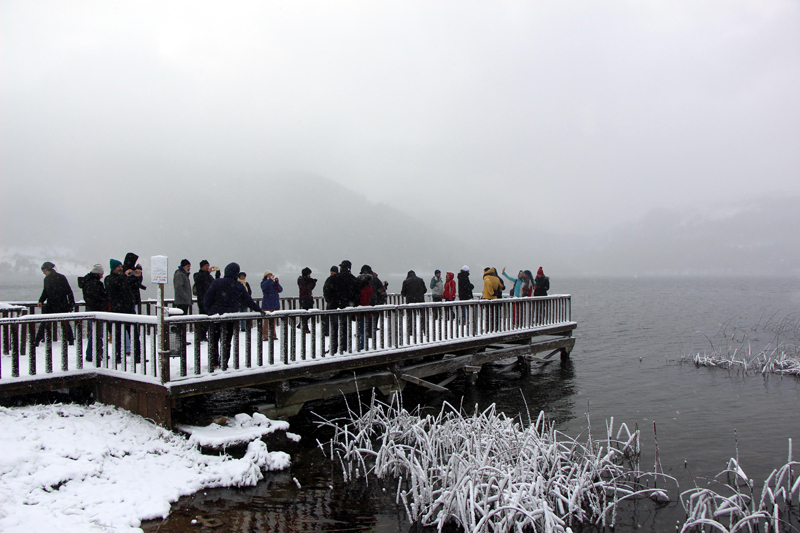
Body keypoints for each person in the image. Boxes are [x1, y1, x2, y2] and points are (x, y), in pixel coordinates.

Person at [204, 262, 264, 369]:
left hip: (215, 316)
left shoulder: (216, 282)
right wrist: (259, 310)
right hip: (230, 317)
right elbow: (248, 301)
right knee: (226, 341)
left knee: (213, 340)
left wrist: (210, 310)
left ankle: (213, 362)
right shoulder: (238, 286)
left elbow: (207, 298)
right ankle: (224, 363)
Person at [105, 255, 140, 358]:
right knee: (117, 336)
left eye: (121, 266)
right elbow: (116, 284)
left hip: (129, 310)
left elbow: (135, 283)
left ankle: (137, 356)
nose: (120, 268)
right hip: (117, 311)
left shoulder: (124, 278)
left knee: (134, 335)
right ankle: (117, 357)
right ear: (113, 268)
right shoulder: (109, 279)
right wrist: (125, 276)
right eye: (118, 267)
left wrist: (137, 274)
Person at [34, 261, 75, 346]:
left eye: (44, 271)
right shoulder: (61, 277)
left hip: (52, 304)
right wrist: (71, 303)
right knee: (65, 322)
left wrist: (41, 300)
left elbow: (45, 292)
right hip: (62, 304)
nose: (43, 273)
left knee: (45, 321)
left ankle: (37, 340)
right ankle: (70, 340)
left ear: (47, 270)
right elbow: (69, 291)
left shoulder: (48, 279)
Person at [77, 263, 108, 361]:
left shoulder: (86, 282)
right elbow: (99, 297)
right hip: (96, 310)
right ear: (98, 274)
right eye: (101, 274)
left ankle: (95, 353)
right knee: (98, 333)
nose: (102, 276)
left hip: (89, 309)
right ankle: (94, 353)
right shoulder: (96, 283)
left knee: (95, 332)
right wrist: (104, 302)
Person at [328, 260, 359, 354]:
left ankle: (334, 348)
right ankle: (344, 348)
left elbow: (327, 290)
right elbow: (357, 294)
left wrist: (331, 302)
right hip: (347, 308)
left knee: (334, 329)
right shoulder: (353, 279)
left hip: (335, 308)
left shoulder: (334, 278)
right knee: (345, 329)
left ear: (341, 268)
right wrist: (353, 304)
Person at [194, 260, 220, 341]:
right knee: (203, 317)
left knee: (209, 317)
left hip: (210, 300)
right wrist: (207, 272)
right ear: (201, 266)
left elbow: (215, 283)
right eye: (206, 265)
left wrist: (217, 275)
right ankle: (201, 334)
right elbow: (199, 279)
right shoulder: (197, 275)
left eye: (208, 265)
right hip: (202, 300)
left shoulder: (208, 276)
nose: (208, 267)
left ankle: (206, 333)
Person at [401, 270, 427, 337]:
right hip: (420, 301)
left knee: (410, 317)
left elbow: (403, 293)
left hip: (410, 302)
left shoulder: (406, 281)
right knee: (422, 316)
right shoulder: (420, 280)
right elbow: (425, 290)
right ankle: (423, 329)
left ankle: (410, 331)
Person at [260, 270, 283, 340]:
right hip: (267, 304)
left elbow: (280, 290)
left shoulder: (273, 283)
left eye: (271, 275)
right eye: (268, 275)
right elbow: (263, 287)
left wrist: (277, 283)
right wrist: (269, 280)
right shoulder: (264, 282)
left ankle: (273, 335)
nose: (270, 276)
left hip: (275, 304)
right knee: (266, 322)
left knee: (273, 321)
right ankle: (265, 335)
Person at [356, 272, 373, 349]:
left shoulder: (359, 288)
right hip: (366, 309)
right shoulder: (369, 288)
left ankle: (361, 345)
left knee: (360, 329)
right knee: (364, 329)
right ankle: (363, 344)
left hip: (360, 310)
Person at [297, 267, 317, 334]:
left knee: (308, 313)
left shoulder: (302, 280)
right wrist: (312, 282)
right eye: (309, 274)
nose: (309, 275)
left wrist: (312, 282)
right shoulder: (302, 281)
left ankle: (303, 325)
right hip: (305, 299)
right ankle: (304, 326)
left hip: (307, 299)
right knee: (308, 313)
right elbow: (307, 289)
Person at [321, 265, 338, 336]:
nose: (331, 275)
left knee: (332, 317)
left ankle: (331, 330)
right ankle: (328, 330)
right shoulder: (330, 280)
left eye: (333, 273)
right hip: (331, 301)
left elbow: (326, 289)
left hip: (334, 301)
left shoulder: (332, 280)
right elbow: (325, 289)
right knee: (329, 317)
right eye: (331, 273)